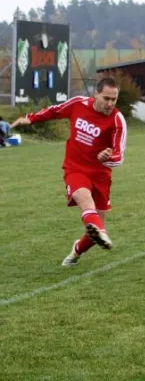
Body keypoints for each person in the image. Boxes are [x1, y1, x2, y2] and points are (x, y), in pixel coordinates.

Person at [10, 77, 127, 266]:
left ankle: (76, 251)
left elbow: (119, 156)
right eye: (106, 98)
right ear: (95, 94)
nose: (110, 103)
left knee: (95, 228)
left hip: (101, 175)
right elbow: (55, 111)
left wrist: (108, 157)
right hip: (75, 168)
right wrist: (31, 118)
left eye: (114, 99)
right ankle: (100, 231)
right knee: (85, 202)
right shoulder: (78, 104)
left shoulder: (117, 120)